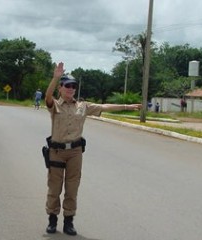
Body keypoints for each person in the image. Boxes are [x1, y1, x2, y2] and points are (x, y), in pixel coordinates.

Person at [44, 62, 141, 236]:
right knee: (54, 187)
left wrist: (127, 106)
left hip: (75, 152)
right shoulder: (55, 106)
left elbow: (104, 107)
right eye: (67, 86)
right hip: (56, 152)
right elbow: (48, 96)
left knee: (72, 187)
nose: (71, 89)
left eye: (73, 86)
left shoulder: (83, 106)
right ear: (61, 88)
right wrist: (56, 77)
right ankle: (52, 219)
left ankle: (69, 221)